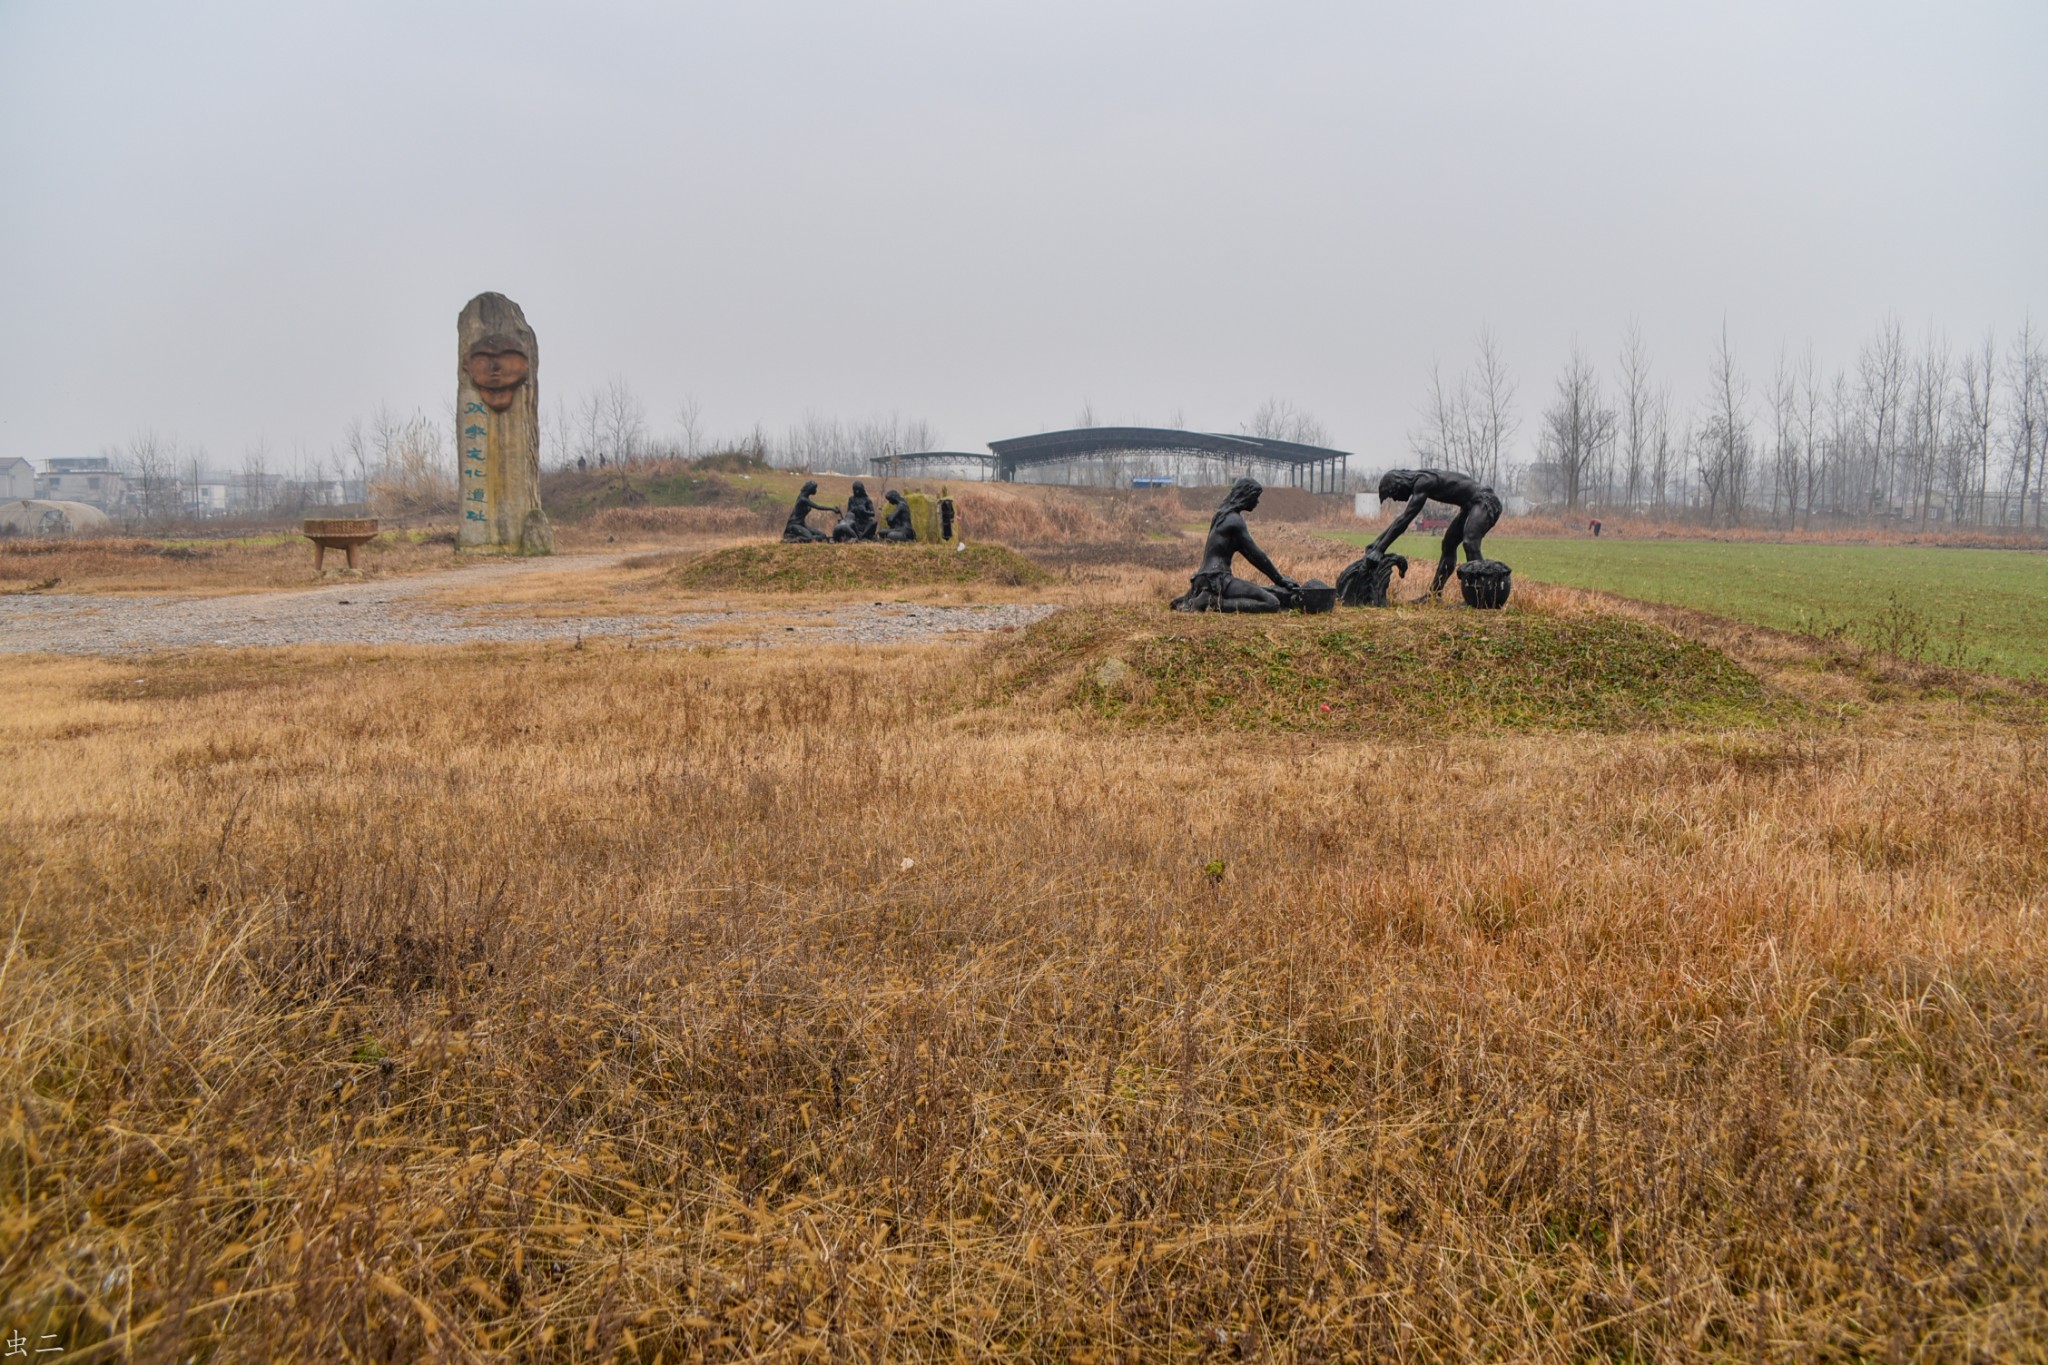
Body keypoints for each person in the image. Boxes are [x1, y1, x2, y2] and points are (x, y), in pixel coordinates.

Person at [1337, 468, 1501, 603]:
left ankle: (1480, 596)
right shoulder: (1421, 480)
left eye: (1392, 495)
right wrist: (1377, 543)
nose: (1395, 499)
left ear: (1398, 485)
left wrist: (1380, 550)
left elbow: (1404, 520)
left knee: (1470, 542)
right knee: (1449, 545)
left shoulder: (1423, 482)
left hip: (1484, 501)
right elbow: (1400, 520)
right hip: (1470, 505)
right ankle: (1434, 595)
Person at [1170, 477, 1299, 612]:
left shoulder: (1221, 515)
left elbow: (1249, 554)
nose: (1257, 501)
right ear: (1246, 496)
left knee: (1259, 592)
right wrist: (1279, 580)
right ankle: (1212, 602)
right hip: (1218, 579)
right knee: (1272, 603)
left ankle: (1197, 597)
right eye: (1255, 496)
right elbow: (1257, 555)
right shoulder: (1235, 521)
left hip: (1203, 578)